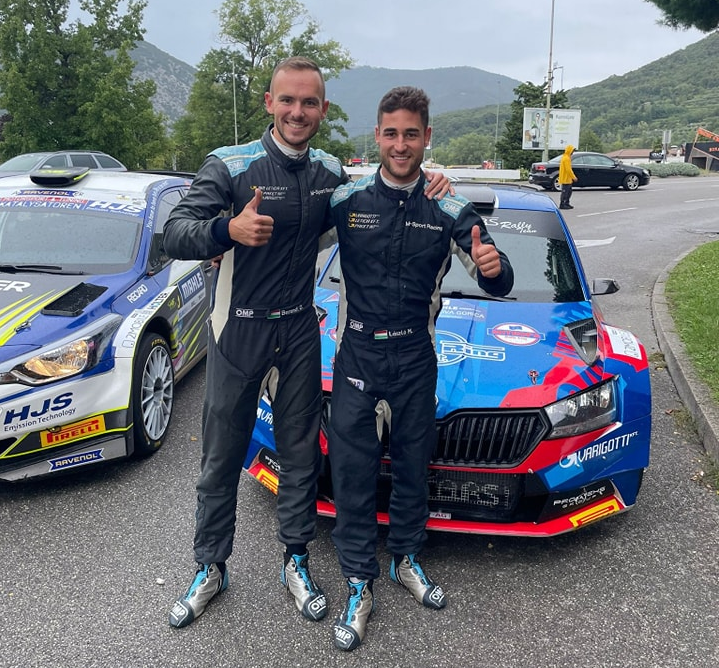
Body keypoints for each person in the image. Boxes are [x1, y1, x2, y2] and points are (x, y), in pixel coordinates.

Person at [162, 58, 451, 629]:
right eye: (288, 101)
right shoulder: (230, 164)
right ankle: (210, 567)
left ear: (323, 109)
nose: (298, 112)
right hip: (238, 328)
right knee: (221, 456)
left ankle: (295, 561)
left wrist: (434, 180)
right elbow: (173, 233)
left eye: (310, 102)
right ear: (269, 103)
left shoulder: (329, 172)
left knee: (299, 457)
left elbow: (386, 191)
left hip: (298, 328)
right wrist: (225, 231)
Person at [326, 86, 514, 651]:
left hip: (415, 356)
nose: (401, 145)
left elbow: (495, 275)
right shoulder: (346, 199)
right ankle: (358, 580)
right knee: (353, 472)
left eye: (412, 134)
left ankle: (405, 557)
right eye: (391, 133)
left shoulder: (449, 207)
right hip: (357, 353)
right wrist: (227, 243)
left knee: (413, 466)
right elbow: (290, 240)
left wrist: (493, 266)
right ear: (376, 136)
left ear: (427, 137)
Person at [558, 144, 577, 209]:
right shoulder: (566, 158)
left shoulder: (566, 157)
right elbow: (568, 169)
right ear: (569, 151)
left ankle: (566, 203)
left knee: (569, 192)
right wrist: (574, 177)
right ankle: (562, 204)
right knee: (565, 192)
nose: (573, 152)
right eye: (572, 150)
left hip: (567, 179)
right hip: (565, 179)